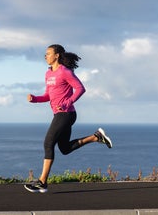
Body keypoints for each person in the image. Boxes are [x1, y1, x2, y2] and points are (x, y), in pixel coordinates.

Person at [24, 44, 113, 193]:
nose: (46, 56)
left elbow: (80, 88)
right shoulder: (48, 74)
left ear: (57, 55)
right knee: (64, 149)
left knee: (48, 143)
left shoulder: (64, 72)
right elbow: (48, 95)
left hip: (66, 114)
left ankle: (42, 182)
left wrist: (66, 103)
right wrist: (35, 99)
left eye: (48, 53)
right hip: (60, 114)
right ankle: (96, 137)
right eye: (45, 54)